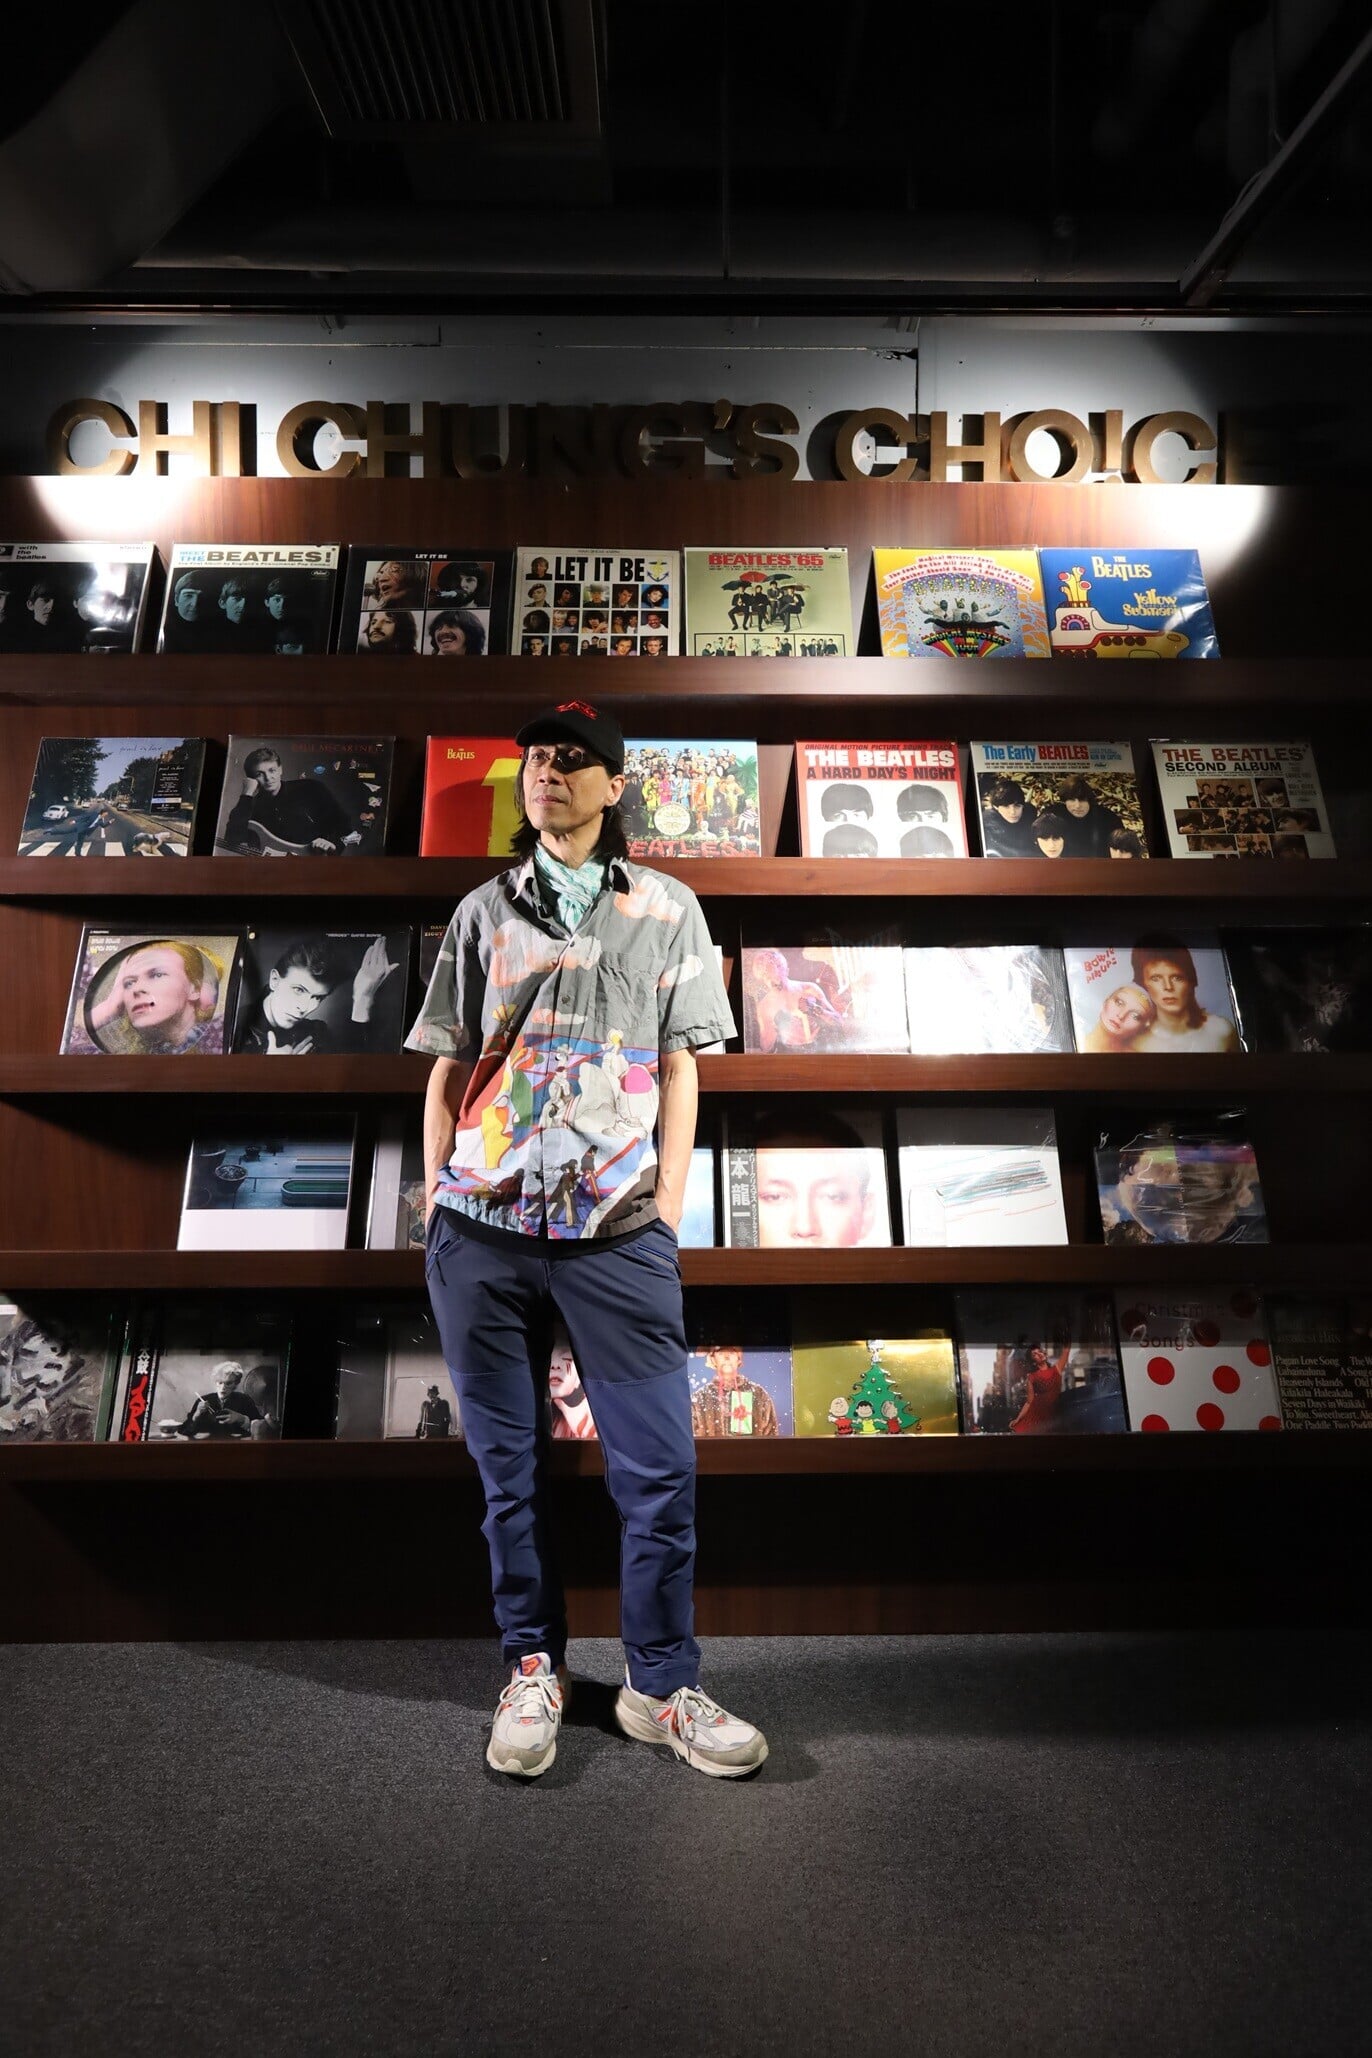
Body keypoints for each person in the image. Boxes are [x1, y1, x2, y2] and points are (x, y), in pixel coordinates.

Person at [409, 699, 766, 1780]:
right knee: (506, 1475)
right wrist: (436, 1198)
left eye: (572, 761)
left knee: (658, 1474)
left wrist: (669, 1204)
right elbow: (448, 1062)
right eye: (535, 759)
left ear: (615, 786)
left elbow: (686, 1062)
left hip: (618, 1230)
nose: (546, 774)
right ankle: (532, 1669)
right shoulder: (482, 911)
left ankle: (661, 1686)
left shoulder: (667, 908)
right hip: (482, 1228)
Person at [234, 935, 397, 1054]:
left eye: (318, 997)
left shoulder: (317, 1032)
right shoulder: (233, 1026)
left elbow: (355, 1077)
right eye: (298, 990)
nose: (304, 1007)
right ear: (275, 980)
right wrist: (271, 1071)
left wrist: (362, 999)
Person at [84, 939, 223, 1054]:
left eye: (157, 975)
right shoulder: (146, 1052)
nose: (136, 989)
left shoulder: (220, 1033)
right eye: (129, 983)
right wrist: (109, 1007)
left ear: (196, 988)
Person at [221, 746, 363, 855]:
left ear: (280, 770)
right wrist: (246, 794)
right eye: (259, 774)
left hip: (319, 865)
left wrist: (330, 843)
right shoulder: (249, 806)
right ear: (251, 779)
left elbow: (343, 824)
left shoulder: (310, 788)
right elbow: (233, 840)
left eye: (272, 770)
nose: (268, 778)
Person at [1130, 939, 1239, 1052]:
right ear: (1143, 984)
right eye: (1156, 978)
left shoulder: (1221, 1031)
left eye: (1177, 978)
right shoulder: (1138, 1044)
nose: (1168, 987)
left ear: (1191, 981)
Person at [689, 1347, 779, 1437]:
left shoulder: (758, 1394)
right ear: (713, 1359)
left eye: (731, 1352)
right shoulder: (699, 1398)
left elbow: (771, 1437)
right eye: (721, 1353)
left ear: (738, 1359)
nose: (726, 1357)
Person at [163, 1362, 266, 1439]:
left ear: (236, 1383)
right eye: (220, 1382)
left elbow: (262, 1430)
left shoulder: (244, 1400)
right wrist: (196, 1415)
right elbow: (183, 1431)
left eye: (228, 1383)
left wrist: (241, 1418)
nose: (223, 1387)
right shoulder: (203, 1400)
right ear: (215, 1382)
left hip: (236, 1449)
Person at [1058, 776, 1123, 858]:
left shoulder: (1110, 819)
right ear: (1064, 801)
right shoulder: (1056, 816)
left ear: (1089, 800)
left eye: (1082, 800)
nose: (1077, 806)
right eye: (1072, 800)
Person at [1083, 982, 1156, 1052]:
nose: (1121, 1016)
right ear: (1106, 1000)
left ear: (1141, 1027)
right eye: (1119, 1003)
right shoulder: (1079, 1044)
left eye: (1135, 1016)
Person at [980, 778, 1037, 857]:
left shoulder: (1029, 812)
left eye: (1017, 806)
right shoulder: (987, 821)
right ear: (996, 807)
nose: (1012, 812)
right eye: (1006, 806)